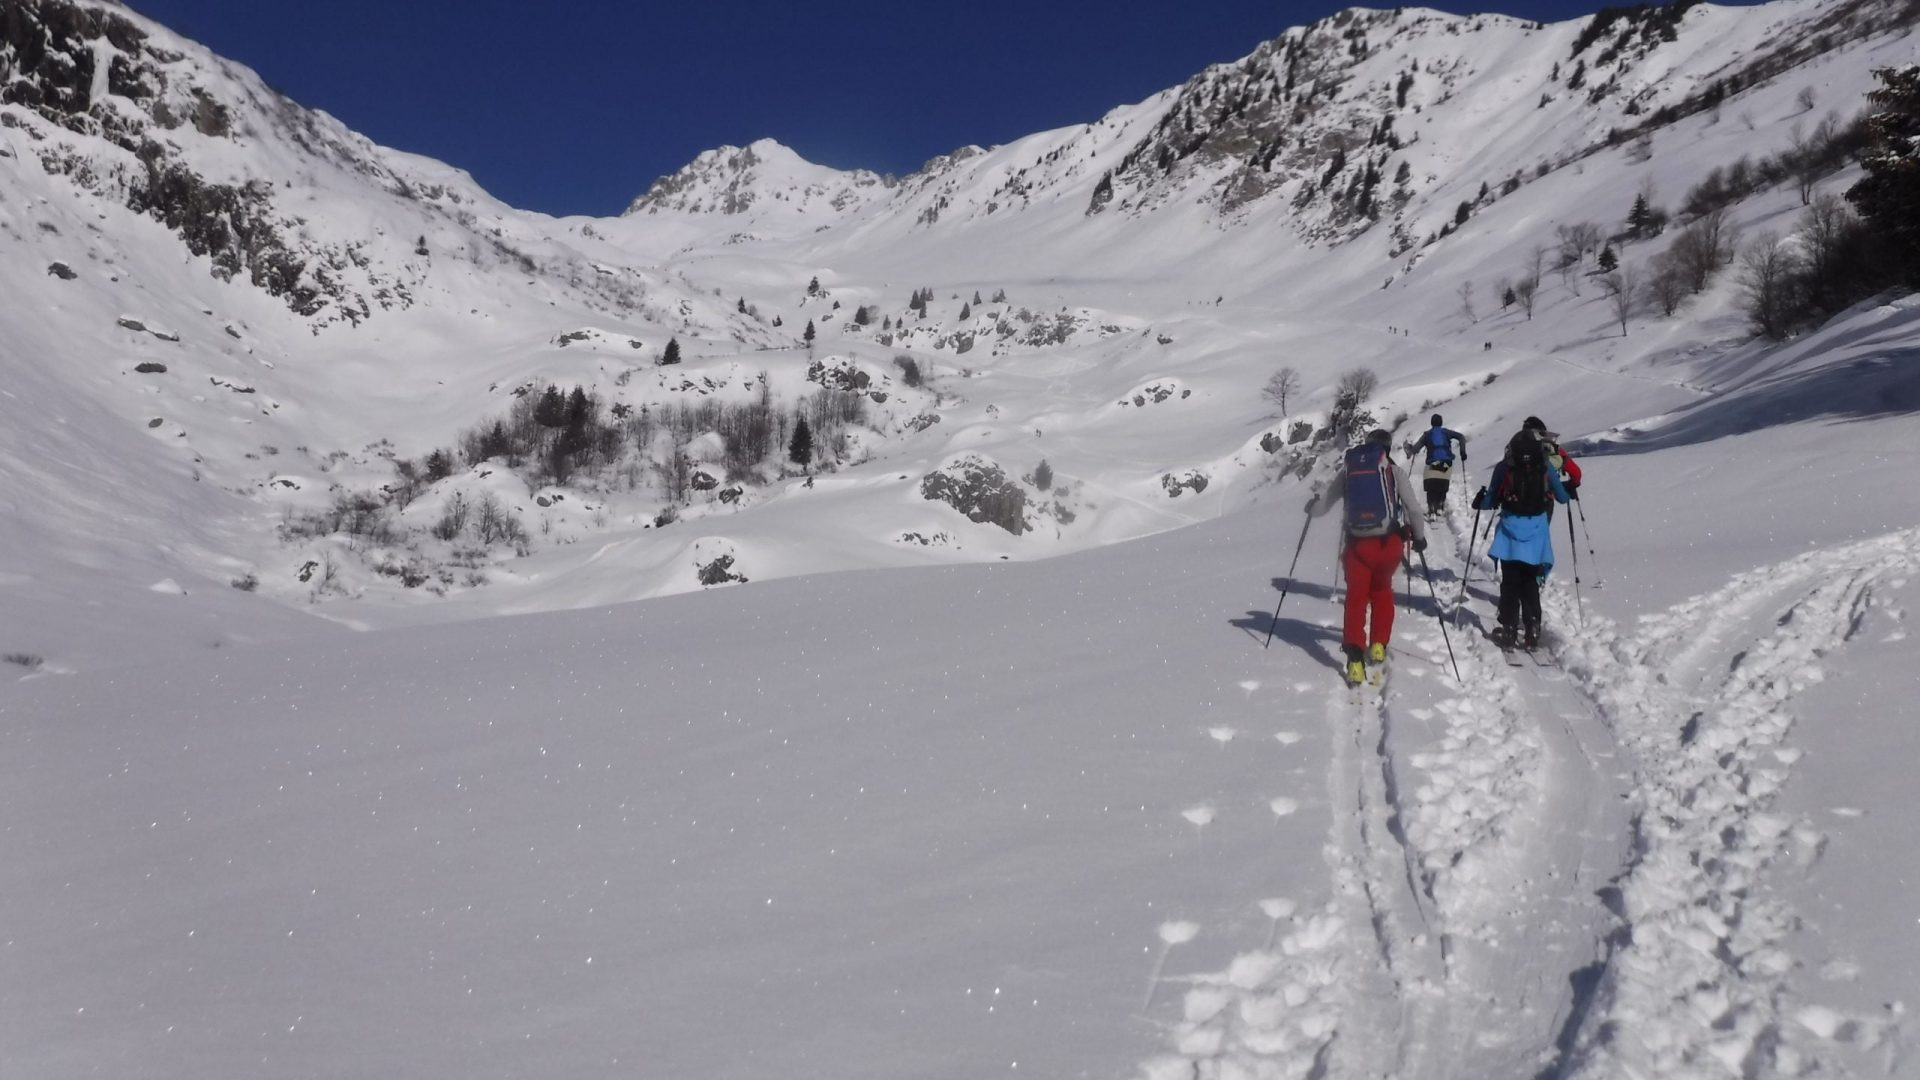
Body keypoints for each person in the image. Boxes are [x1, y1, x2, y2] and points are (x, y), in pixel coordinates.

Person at [1307, 429, 1428, 685]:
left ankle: (1354, 661)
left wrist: (1312, 508)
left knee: (1356, 599)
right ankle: (1378, 645)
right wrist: (1419, 537)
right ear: (1387, 448)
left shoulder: (1350, 471)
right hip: (1388, 546)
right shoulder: (1394, 472)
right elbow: (1414, 510)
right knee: (1382, 592)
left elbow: (1325, 504)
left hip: (1357, 546)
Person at [1473, 426, 1570, 650]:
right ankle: (1532, 625)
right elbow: (1562, 498)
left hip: (1510, 531)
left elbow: (1490, 500)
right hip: (1537, 533)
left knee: (1510, 582)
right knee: (1530, 582)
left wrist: (1480, 502)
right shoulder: (1544, 465)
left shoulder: (1505, 466)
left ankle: (1508, 628)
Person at [1404, 414, 1468, 521]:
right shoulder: (1447, 432)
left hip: (1432, 463)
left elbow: (1415, 449)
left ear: (1431, 423)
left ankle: (1432, 509)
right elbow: (1461, 437)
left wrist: (1410, 450)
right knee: (1442, 483)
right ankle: (1440, 506)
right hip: (1446, 463)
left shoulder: (1427, 434)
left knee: (1431, 486)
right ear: (1441, 422)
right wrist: (1463, 452)